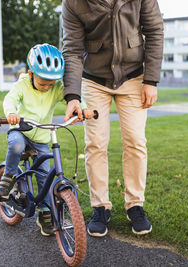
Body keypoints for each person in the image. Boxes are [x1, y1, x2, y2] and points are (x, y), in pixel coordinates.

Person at [62, 0, 164, 236]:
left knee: (136, 141)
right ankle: (100, 206)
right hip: (94, 80)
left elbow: (155, 31)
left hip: (134, 77)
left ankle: (135, 204)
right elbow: (72, 50)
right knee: (96, 143)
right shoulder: (73, 3)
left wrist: (151, 80)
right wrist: (73, 96)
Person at [0, 43, 93, 236]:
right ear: (30, 74)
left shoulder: (55, 87)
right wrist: (12, 112)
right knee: (16, 145)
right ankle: (9, 177)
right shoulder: (22, 85)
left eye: (51, 83)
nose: (47, 87)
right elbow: (10, 99)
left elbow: (71, 98)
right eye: (43, 83)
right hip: (21, 129)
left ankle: (46, 213)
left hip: (41, 135)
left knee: (45, 174)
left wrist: (83, 109)